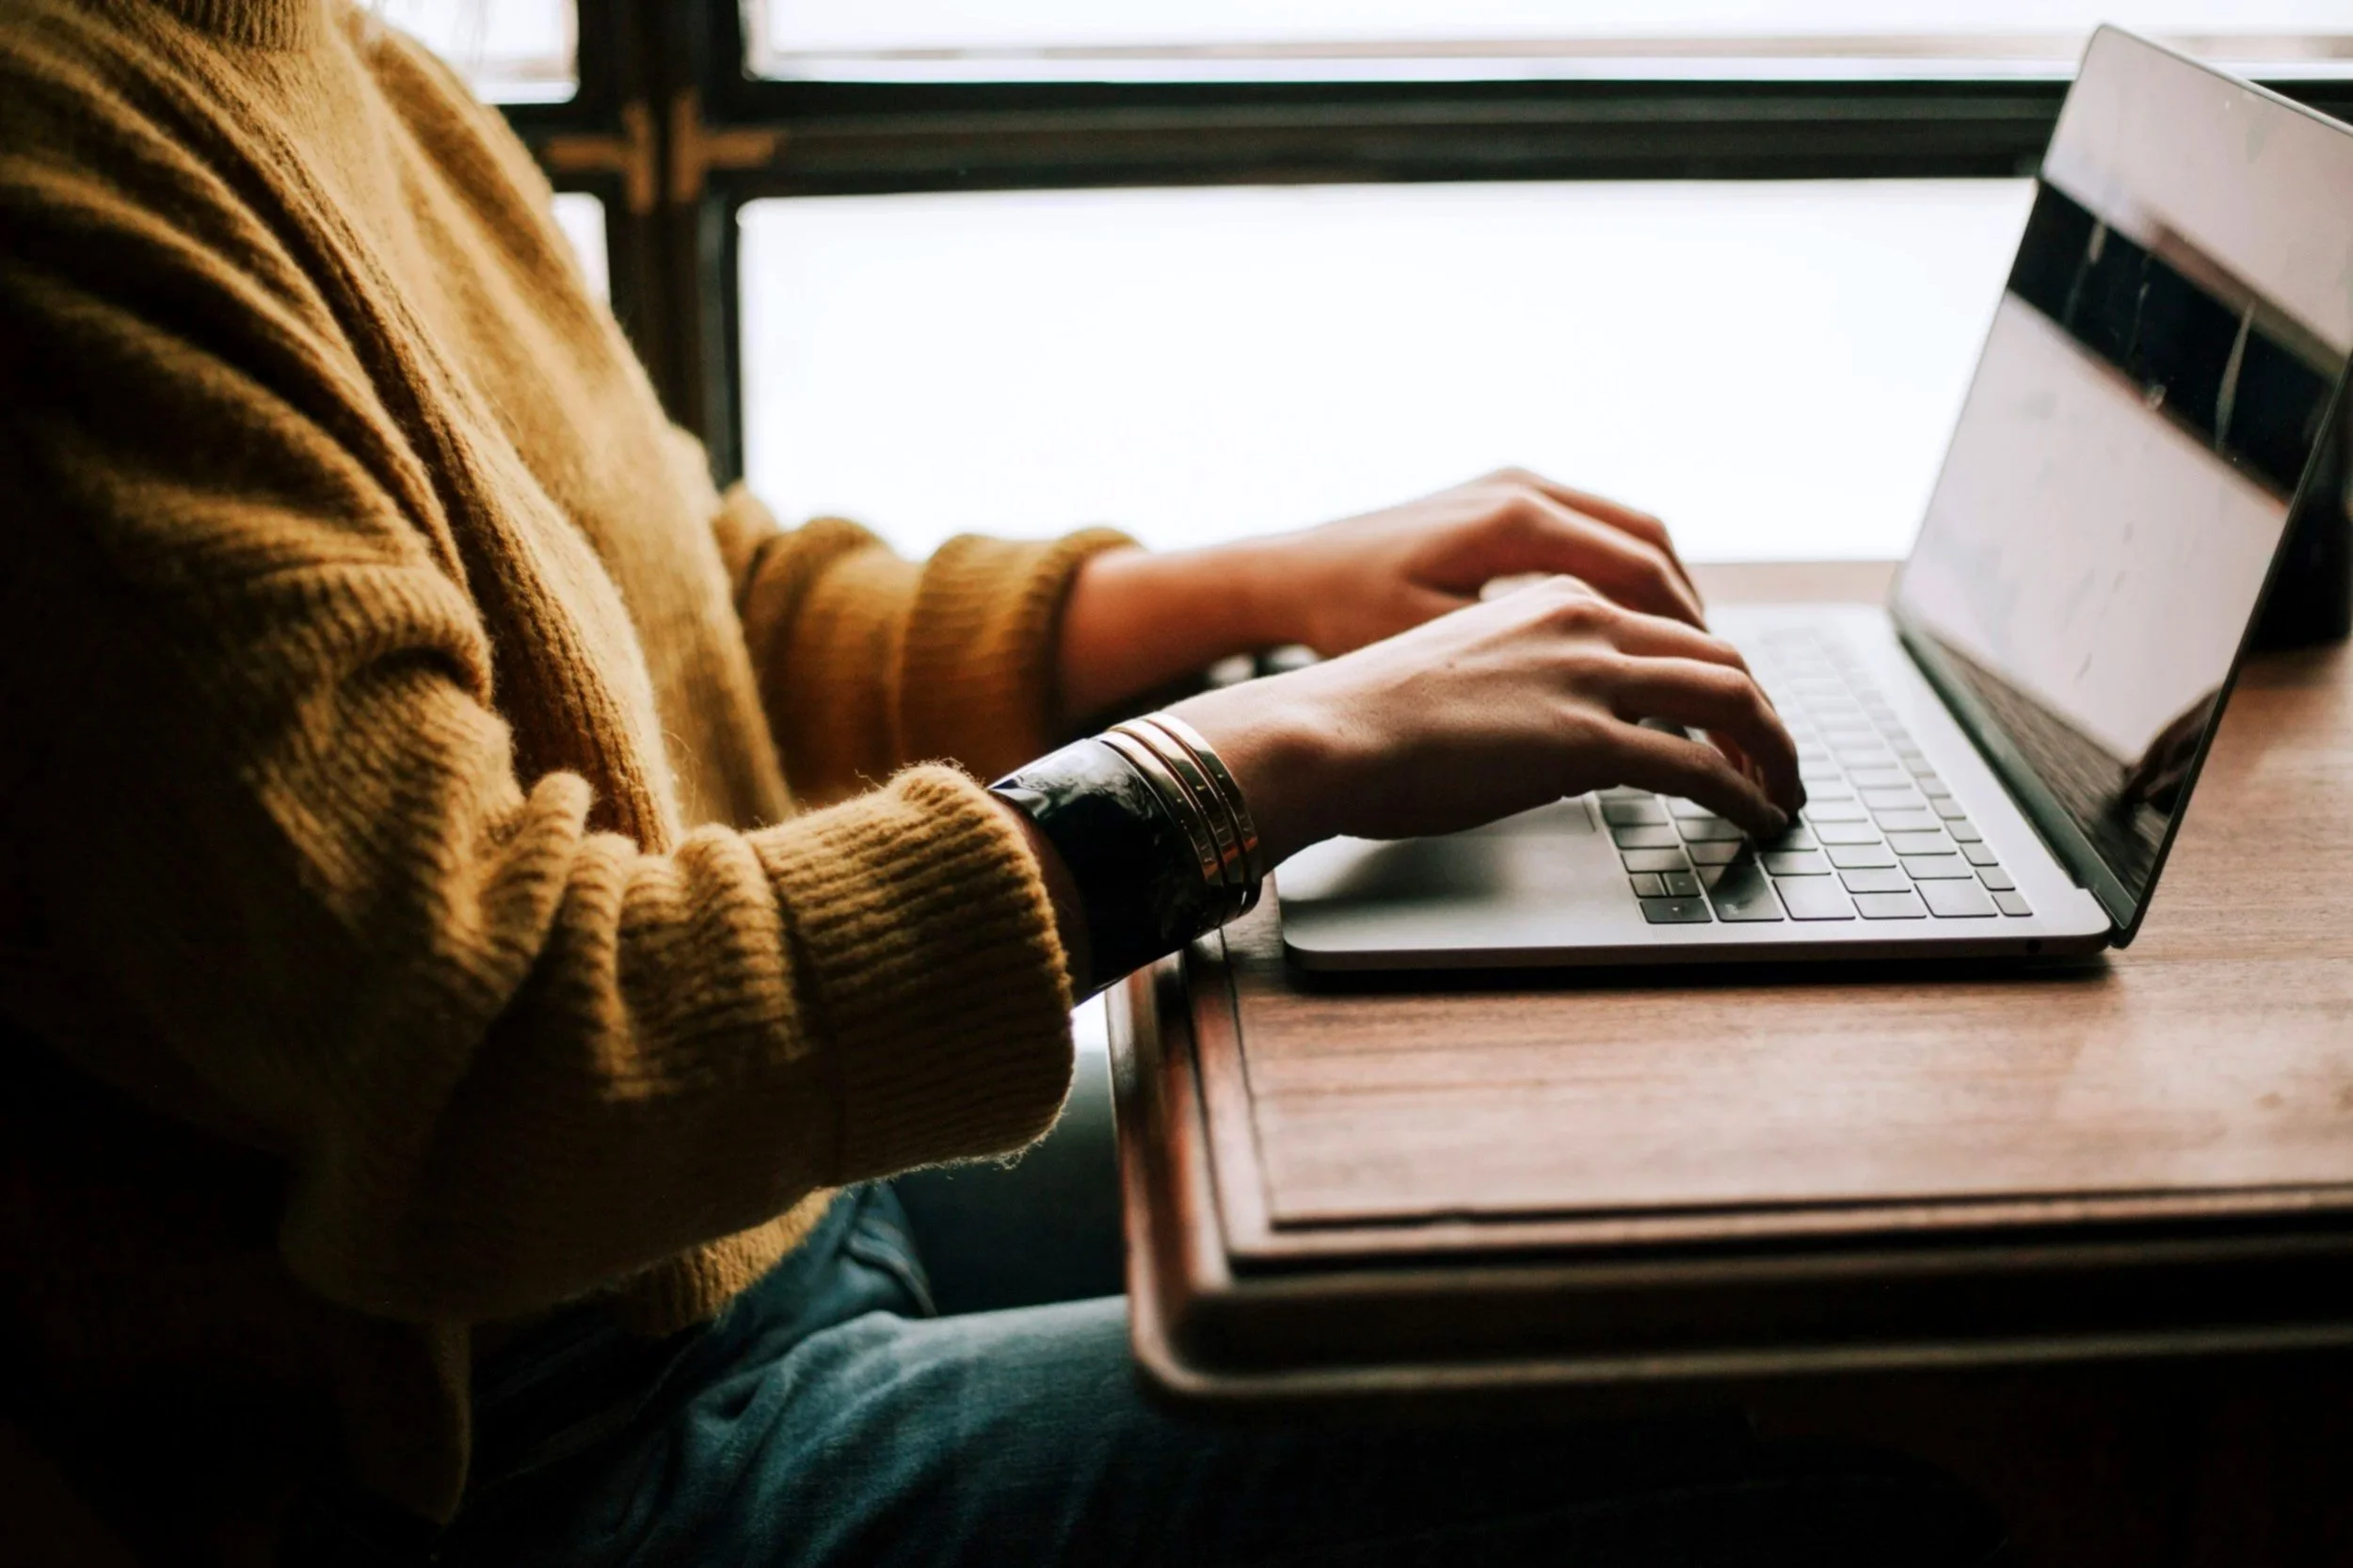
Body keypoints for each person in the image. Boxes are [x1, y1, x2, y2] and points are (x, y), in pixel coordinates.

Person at [0, 3, 1999, 1563]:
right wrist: (1258, 757)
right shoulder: (59, 192)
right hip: (526, 1463)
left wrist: (1247, 591)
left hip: (740, 1213)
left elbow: (698, 605)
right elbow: (512, 1054)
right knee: (1822, 1473)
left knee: (1648, 1213)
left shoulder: (324, 57)